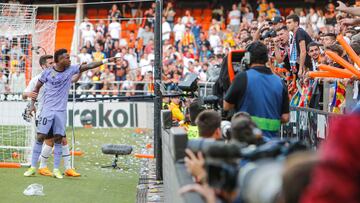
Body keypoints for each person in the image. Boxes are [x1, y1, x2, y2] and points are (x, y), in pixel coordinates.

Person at [24, 49, 119, 178]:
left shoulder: (70, 70)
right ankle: (35, 167)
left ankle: (58, 169)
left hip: (60, 112)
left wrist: (107, 60)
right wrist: (31, 105)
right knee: (42, 138)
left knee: (60, 139)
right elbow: (33, 90)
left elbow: (88, 67)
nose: (69, 60)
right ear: (58, 61)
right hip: (45, 111)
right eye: (67, 58)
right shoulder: (44, 75)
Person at [23, 55, 82, 177]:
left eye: (52, 62)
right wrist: (30, 97)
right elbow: (24, 94)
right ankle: (43, 166)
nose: (52, 65)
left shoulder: (57, 76)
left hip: (56, 113)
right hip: (43, 114)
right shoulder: (37, 79)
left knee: (62, 140)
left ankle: (67, 168)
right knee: (50, 141)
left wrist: (80, 71)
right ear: (43, 66)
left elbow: (73, 80)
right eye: (50, 63)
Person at [223, 41, 290, 140]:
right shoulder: (280, 82)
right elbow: (285, 117)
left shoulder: (243, 77)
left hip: (246, 140)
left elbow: (226, 106)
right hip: (272, 144)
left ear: (248, 58)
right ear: (266, 58)